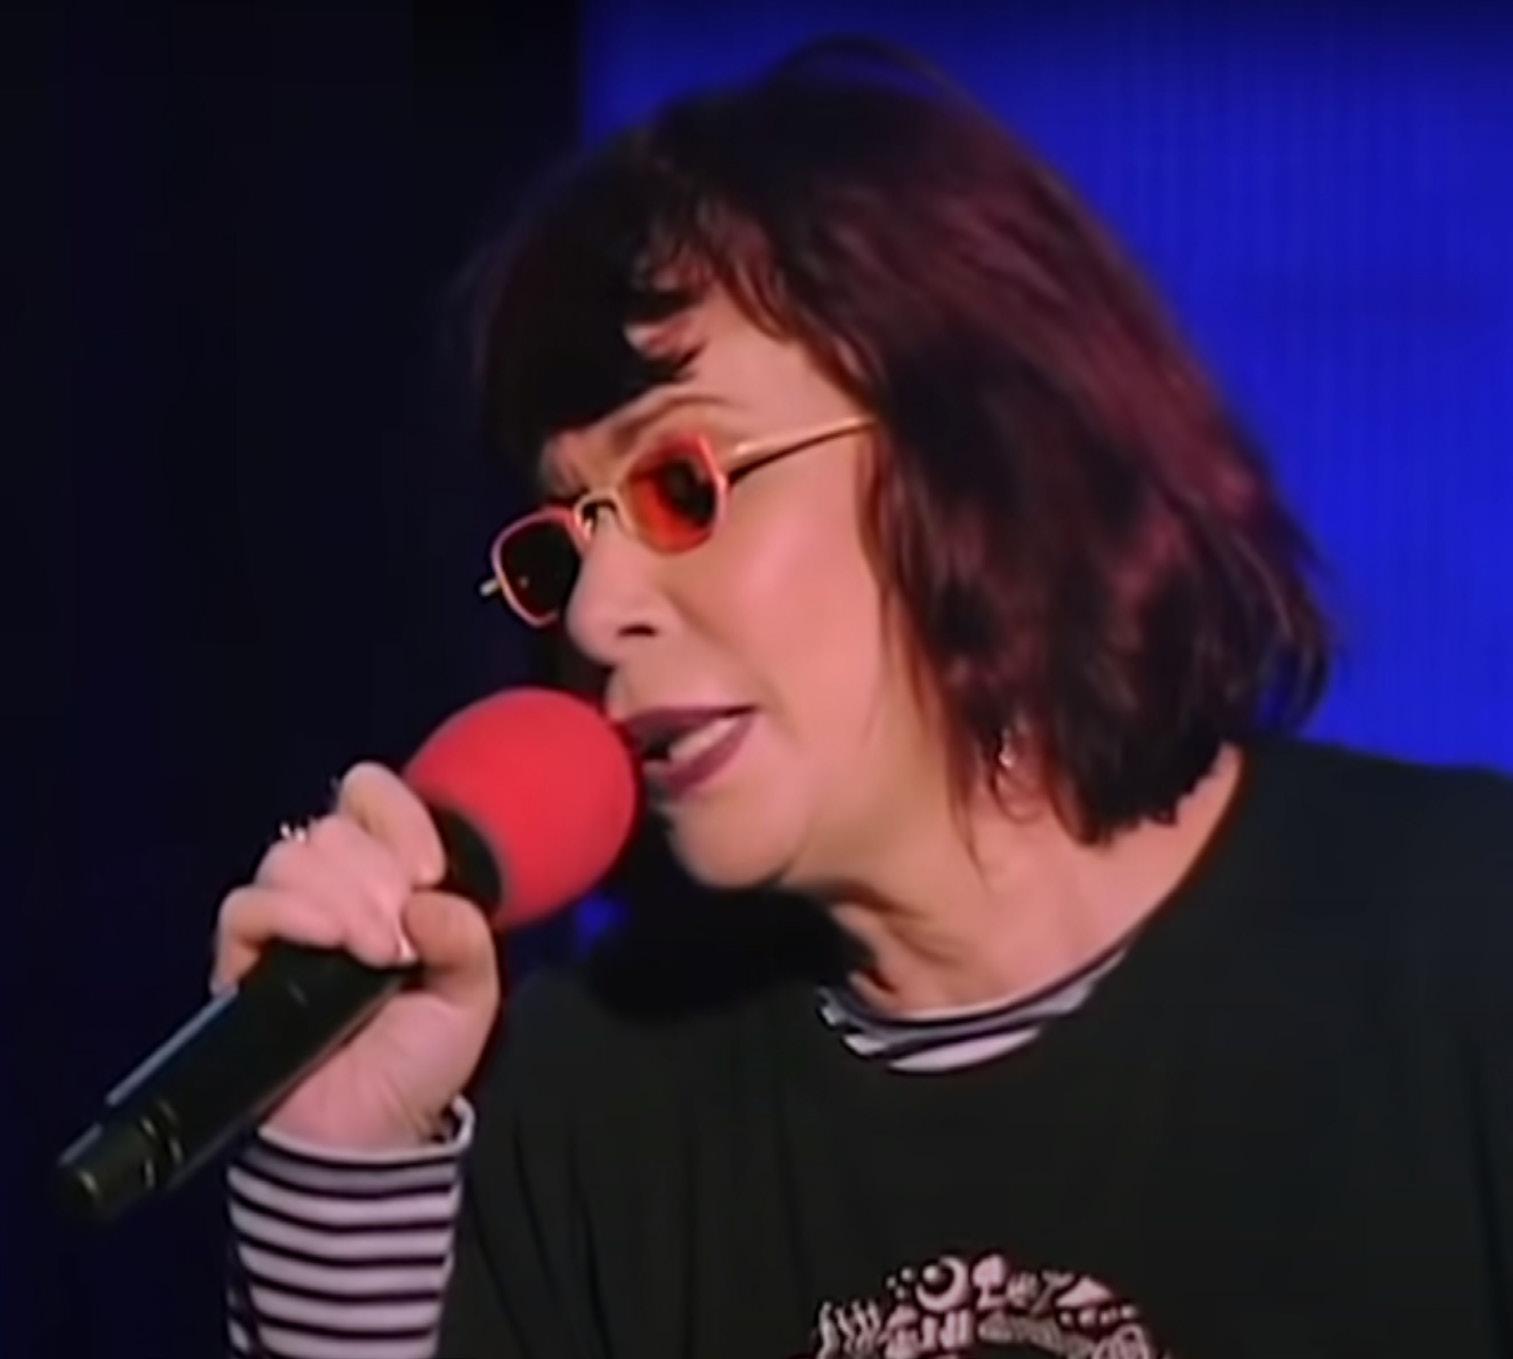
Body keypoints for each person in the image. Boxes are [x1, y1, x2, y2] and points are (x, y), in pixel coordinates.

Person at [218, 38, 1513, 1359]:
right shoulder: (586, 1108)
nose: (600, 614)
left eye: (679, 485)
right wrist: (339, 1175)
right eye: (564, 546)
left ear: (985, 458)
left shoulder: (1466, 943)